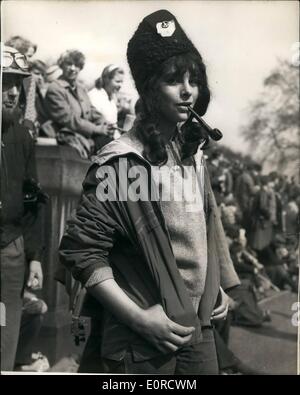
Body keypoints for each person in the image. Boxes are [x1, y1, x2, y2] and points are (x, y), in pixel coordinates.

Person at [59, 9, 240, 374]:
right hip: (141, 343)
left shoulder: (193, 156)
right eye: (174, 79)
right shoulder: (126, 164)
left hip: (199, 332)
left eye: (194, 79)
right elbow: (83, 252)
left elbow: (200, 242)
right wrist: (140, 318)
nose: (188, 89)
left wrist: (213, 289)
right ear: (149, 88)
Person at [1, 46, 45, 371]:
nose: (13, 91)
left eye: (17, 83)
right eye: (4, 82)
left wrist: (34, 258)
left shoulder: (23, 137)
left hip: (10, 251)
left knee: (3, 337)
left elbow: (32, 201)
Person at [45, 50, 109, 158]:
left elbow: (91, 110)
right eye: (69, 64)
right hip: (67, 135)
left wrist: (103, 122)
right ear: (62, 65)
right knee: (107, 146)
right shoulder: (55, 89)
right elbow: (68, 119)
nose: (73, 68)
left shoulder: (81, 88)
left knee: (112, 144)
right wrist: (96, 129)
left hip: (84, 133)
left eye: (77, 65)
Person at [88, 64, 124, 142]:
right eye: (117, 81)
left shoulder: (112, 98)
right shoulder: (94, 95)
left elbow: (114, 125)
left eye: (121, 82)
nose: (120, 85)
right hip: (98, 138)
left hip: (110, 137)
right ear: (106, 79)